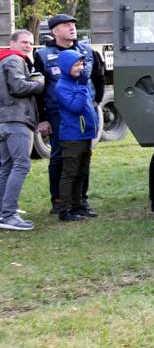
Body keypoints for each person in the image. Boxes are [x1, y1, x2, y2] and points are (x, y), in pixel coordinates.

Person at [34, 13, 105, 216]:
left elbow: (99, 77)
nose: (72, 28)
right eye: (66, 25)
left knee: (83, 157)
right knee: (58, 156)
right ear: (55, 31)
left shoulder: (88, 51)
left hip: (83, 110)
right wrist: (43, 118)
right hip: (57, 113)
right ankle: (59, 200)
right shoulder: (43, 55)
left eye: (73, 24)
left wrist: (96, 101)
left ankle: (80, 200)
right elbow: (39, 90)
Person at [0, 30, 45, 231]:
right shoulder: (14, 60)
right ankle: (8, 215)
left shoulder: (3, 60)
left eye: (30, 42)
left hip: (4, 121)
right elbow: (18, 87)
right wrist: (38, 83)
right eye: (24, 42)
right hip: (17, 119)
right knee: (21, 165)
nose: (28, 46)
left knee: (6, 166)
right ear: (12, 43)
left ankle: (4, 210)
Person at [53, 49, 98, 222]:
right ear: (66, 66)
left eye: (81, 64)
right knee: (70, 173)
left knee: (82, 172)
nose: (81, 67)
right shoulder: (63, 86)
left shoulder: (79, 83)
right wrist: (81, 86)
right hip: (72, 136)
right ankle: (65, 210)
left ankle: (77, 205)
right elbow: (76, 108)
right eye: (76, 64)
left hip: (84, 134)